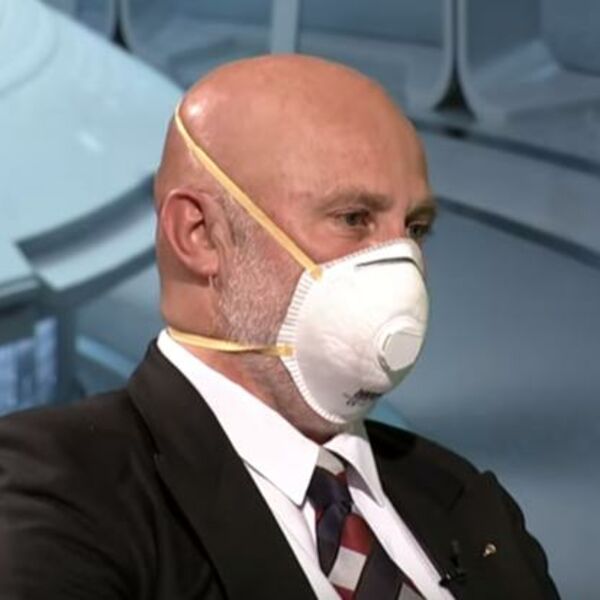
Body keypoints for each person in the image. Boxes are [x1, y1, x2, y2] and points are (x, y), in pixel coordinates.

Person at [0, 55, 559, 599]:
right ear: (199, 233)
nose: (402, 264)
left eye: (415, 228)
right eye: (353, 218)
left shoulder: (462, 496)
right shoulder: (57, 486)